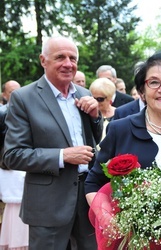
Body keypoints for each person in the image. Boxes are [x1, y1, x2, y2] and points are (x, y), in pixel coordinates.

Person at [85, 52, 161, 250]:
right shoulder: (121, 129)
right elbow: (93, 182)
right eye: (153, 82)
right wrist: (106, 218)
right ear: (142, 90)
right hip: (130, 244)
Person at [2, 36, 103, 249]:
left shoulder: (84, 95)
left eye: (72, 58)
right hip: (48, 204)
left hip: (87, 197)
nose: (68, 64)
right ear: (43, 60)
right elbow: (13, 155)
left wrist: (95, 117)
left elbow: (92, 141)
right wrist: (62, 156)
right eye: (60, 57)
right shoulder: (23, 98)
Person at [0, 80, 28, 250]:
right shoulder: (3, 114)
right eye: (12, 92)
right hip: (9, 167)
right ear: (5, 95)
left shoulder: (28, 110)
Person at [89, 78, 116, 145]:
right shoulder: (88, 115)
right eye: (93, 98)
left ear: (109, 98)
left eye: (100, 99)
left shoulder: (120, 114)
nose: (95, 102)